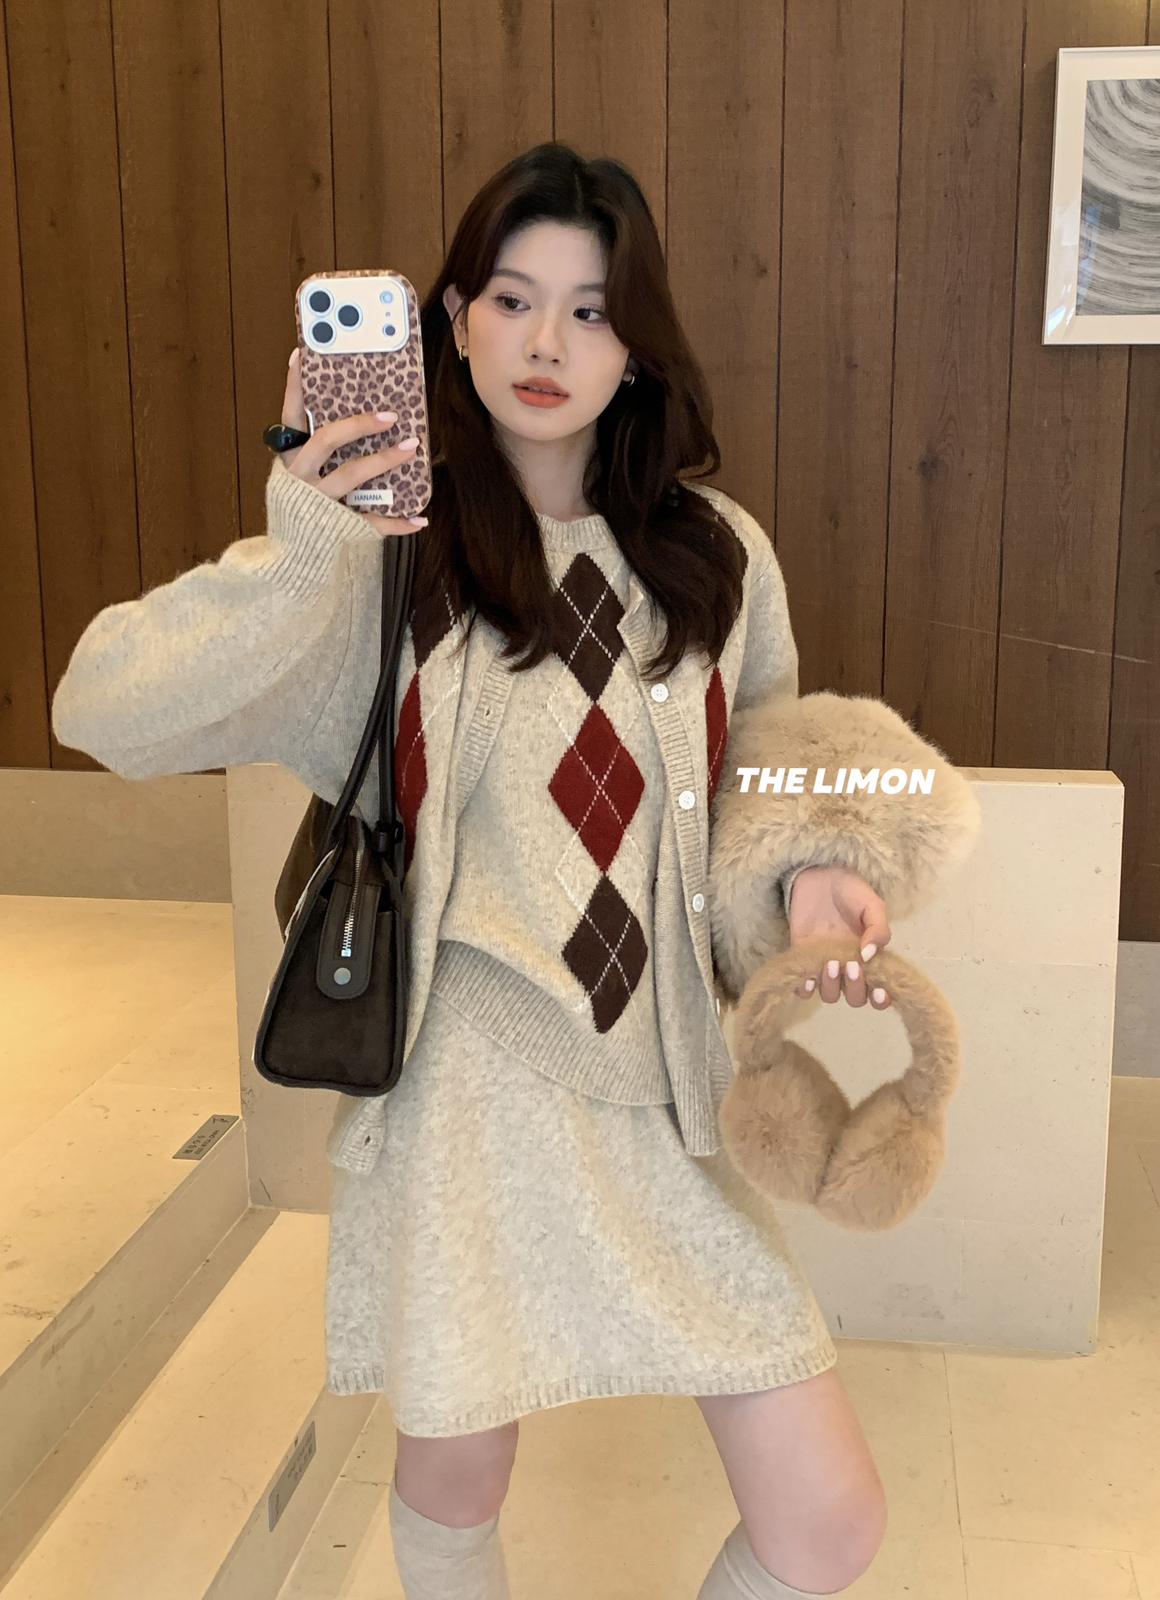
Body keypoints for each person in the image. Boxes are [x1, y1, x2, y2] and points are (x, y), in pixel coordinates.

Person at [52, 143, 979, 1600]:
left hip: (663, 1088)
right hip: (469, 1094)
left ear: (637, 345)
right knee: (456, 1488)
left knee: (828, 1524)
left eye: (592, 310)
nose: (547, 342)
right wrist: (307, 540)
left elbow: (765, 758)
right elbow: (102, 709)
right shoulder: (382, 560)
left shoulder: (716, 557)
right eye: (511, 298)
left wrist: (807, 873)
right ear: (452, 321)